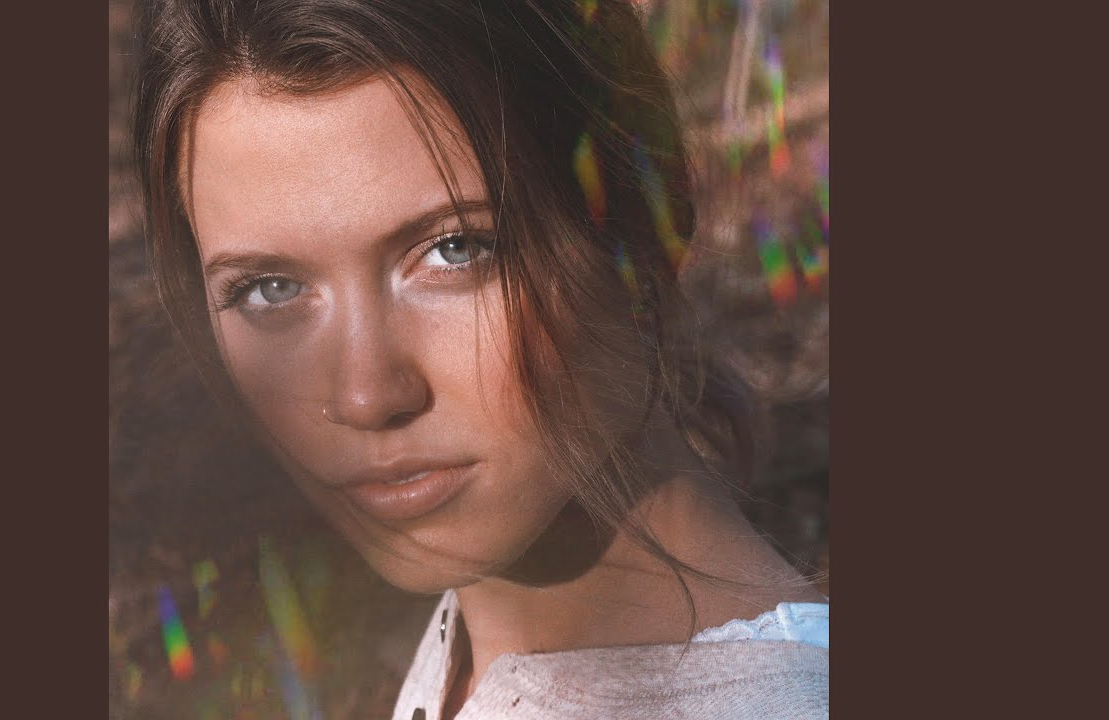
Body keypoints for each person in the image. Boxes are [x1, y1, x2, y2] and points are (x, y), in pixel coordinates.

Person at [131, 1, 828, 718]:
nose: (366, 395)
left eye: (455, 250)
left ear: (647, 221)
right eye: (270, 289)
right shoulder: (489, 637)